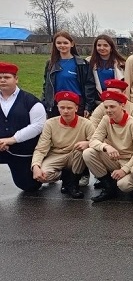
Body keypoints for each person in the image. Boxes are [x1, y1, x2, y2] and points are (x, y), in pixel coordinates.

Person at [83, 89, 133, 203]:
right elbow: (93, 141)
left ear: (122, 105)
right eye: (106, 107)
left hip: (130, 160)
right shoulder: (106, 119)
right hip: (114, 157)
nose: (108, 110)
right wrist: (106, 147)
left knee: (124, 185)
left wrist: (124, 170)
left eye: (112, 107)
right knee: (88, 153)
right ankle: (109, 187)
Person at [31, 91, 94, 198]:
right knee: (43, 176)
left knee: (81, 151)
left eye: (69, 108)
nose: (65, 111)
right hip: (56, 155)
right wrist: (35, 166)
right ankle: (66, 177)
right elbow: (41, 148)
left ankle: (73, 184)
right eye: (62, 107)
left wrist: (88, 143)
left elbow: (96, 141)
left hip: (75, 155)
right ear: (58, 108)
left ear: (76, 108)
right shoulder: (50, 124)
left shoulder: (86, 124)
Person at [0, 62, 45, 192]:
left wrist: (12, 140)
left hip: (22, 151)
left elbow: (38, 126)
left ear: (16, 79)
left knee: (29, 186)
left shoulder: (31, 101)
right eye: (0, 77)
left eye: (7, 77)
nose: (2, 80)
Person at [42, 30, 97, 117]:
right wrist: (45, 103)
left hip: (76, 105)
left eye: (65, 43)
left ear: (71, 44)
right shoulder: (50, 64)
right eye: (59, 43)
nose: (62, 45)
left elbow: (89, 86)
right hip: (56, 105)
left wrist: (88, 107)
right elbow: (47, 86)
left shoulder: (82, 64)